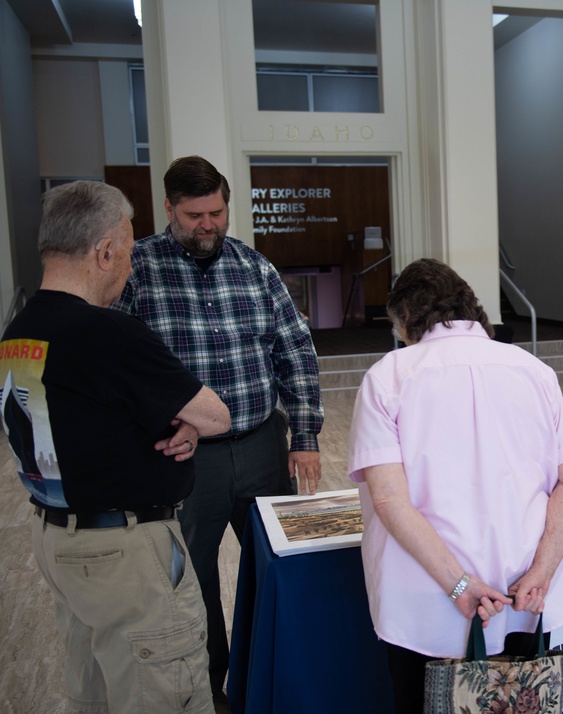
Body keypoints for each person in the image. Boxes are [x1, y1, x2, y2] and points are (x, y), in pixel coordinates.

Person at [0, 181, 231, 713]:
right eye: (127, 250)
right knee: (162, 689)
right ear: (104, 251)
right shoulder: (107, 334)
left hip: (56, 538)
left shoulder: (20, 329)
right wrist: (190, 423)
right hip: (123, 552)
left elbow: (86, 417)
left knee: (98, 688)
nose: (129, 264)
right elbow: (215, 415)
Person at [112, 156, 324, 704]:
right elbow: (116, 364)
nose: (207, 223)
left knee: (278, 564)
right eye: (194, 214)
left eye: (217, 212)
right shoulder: (138, 270)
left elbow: (295, 351)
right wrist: (158, 420)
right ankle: (211, 690)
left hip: (261, 447)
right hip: (185, 461)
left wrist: (304, 438)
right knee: (192, 580)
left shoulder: (254, 267)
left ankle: (272, 678)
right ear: (168, 209)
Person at [347, 258, 563, 713]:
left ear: (404, 319)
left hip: (429, 603)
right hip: (525, 595)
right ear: (471, 309)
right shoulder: (532, 369)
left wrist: (460, 586)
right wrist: (542, 571)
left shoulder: (389, 377)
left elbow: (388, 498)